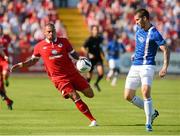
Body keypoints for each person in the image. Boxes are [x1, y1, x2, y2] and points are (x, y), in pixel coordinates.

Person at [11, 23, 97, 127]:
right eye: (49, 32)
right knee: (75, 96)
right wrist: (21, 64)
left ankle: (67, 92)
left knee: (90, 94)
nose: (51, 33)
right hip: (59, 78)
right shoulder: (39, 46)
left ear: (56, 31)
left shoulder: (64, 41)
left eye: (53, 31)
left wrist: (80, 59)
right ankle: (92, 120)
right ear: (44, 33)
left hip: (73, 74)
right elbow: (33, 60)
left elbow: (73, 53)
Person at [124, 8, 170, 131]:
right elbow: (140, 44)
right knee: (128, 96)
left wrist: (165, 66)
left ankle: (148, 123)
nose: (136, 22)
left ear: (145, 18)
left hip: (148, 65)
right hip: (135, 65)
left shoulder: (154, 33)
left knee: (145, 92)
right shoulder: (138, 29)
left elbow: (165, 49)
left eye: (138, 19)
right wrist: (135, 54)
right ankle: (153, 112)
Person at [81, 25, 104, 91]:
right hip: (91, 60)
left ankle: (96, 83)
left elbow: (100, 46)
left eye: (97, 30)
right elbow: (82, 48)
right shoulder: (89, 39)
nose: (96, 31)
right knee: (89, 77)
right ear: (92, 31)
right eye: (94, 30)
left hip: (98, 58)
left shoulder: (100, 38)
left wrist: (102, 52)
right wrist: (89, 54)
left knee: (101, 73)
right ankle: (84, 88)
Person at [0, 25, 13, 110]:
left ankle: (6, 79)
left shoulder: (6, 37)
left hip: (4, 61)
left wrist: (5, 56)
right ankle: (8, 100)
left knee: (4, 74)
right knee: (0, 85)